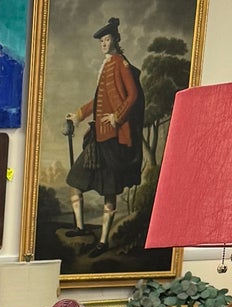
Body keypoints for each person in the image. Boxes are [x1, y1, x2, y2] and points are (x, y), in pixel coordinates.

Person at [66, 15, 143, 248]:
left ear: (115, 40)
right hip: (98, 137)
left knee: (110, 191)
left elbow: (133, 96)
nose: (103, 44)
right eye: (101, 41)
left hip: (113, 139)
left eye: (107, 40)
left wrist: (117, 116)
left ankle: (102, 241)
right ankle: (80, 228)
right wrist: (78, 115)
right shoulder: (108, 64)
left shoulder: (121, 64)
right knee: (75, 181)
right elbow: (99, 100)